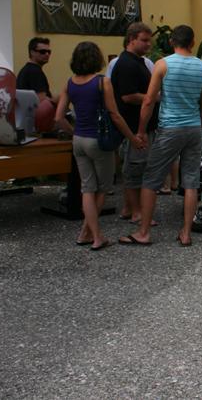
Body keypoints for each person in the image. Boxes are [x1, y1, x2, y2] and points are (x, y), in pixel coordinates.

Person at [120, 25, 202, 247]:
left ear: (172, 42)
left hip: (170, 128)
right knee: (191, 181)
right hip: (192, 128)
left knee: (151, 179)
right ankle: (186, 233)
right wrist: (197, 126)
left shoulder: (162, 65)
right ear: (192, 42)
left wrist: (141, 130)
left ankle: (143, 232)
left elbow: (149, 101)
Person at [53, 42, 142, 250]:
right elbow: (115, 115)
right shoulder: (103, 83)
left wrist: (73, 131)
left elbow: (58, 117)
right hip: (99, 141)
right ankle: (96, 236)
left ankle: (86, 233)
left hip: (79, 140)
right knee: (103, 188)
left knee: (87, 188)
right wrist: (132, 137)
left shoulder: (69, 83)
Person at [110, 22, 158, 225]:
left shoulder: (138, 61)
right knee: (135, 170)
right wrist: (152, 97)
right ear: (131, 40)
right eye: (144, 40)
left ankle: (130, 208)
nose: (148, 44)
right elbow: (128, 96)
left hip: (143, 125)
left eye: (149, 40)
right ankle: (137, 212)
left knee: (140, 167)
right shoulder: (126, 64)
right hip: (133, 127)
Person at [16, 37, 54, 102]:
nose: (47, 54)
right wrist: (61, 99)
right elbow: (42, 100)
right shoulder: (35, 72)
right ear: (32, 52)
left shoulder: (26, 70)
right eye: (43, 52)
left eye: (49, 52)